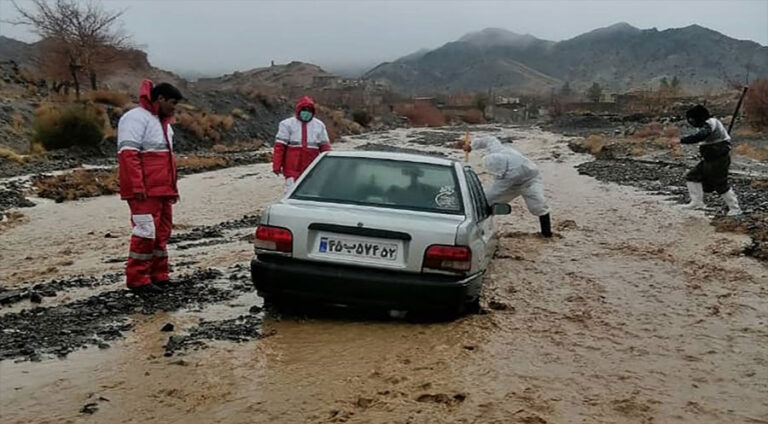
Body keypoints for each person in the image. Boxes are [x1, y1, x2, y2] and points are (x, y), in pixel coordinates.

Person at [117, 79, 183, 293]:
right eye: (172, 103)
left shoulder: (163, 124)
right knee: (145, 232)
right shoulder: (135, 118)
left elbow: (167, 161)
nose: (174, 108)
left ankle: (159, 276)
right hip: (144, 192)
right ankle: (138, 280)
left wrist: (173, 190)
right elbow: (128, 155)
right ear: (160, 99)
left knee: (161, 232)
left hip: (162, 190)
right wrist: (137, 187)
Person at [466, 135, 552, 237]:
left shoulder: (511, 174)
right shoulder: (497, 151)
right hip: (513, 181)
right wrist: (472, 146)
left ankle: (547, 234)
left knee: (538, 205)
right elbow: (489, 139)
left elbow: (495, 191)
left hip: (530, 181)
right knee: (487, 202)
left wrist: (479, 199)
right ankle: (480, 226)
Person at [679, 105, 741, 216]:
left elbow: (701, 136)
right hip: (709, 158)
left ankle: (735, 208)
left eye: (692, 119)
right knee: (692, 176)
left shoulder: (710, 123)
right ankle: (697, 202)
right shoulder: (705, 124)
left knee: (720, 183)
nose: (691, 122)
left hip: (719, 158)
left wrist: (681, 140)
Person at [273, 96, 331, 193]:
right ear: (299, 109)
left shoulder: (319, 125)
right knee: (291, 192)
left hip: (312, 167)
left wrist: (330, 165)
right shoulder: (287, 124)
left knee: (310, 192)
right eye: (304, 109)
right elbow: (279, 147)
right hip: (292, 167)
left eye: (309, 110)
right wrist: (276, 166)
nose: (307, 112)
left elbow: (325, 148)